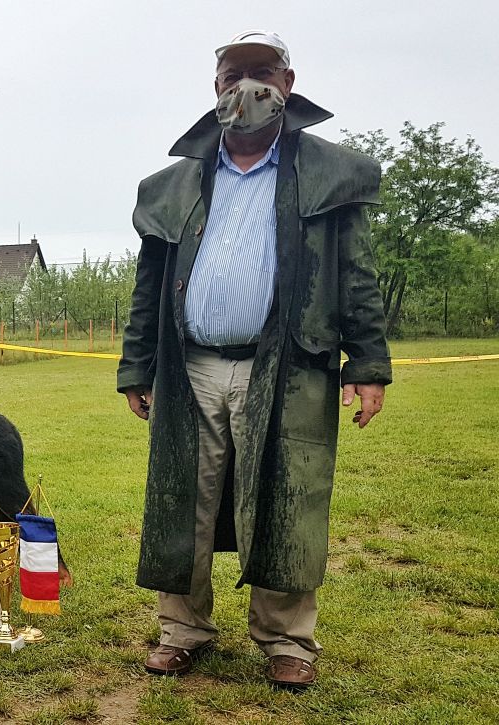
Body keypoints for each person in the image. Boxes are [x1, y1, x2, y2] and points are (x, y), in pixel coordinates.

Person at [118, 31, 391, 689]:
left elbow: (356, 273)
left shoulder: (327, 172)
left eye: (262, 71)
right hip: (190, 370)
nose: (246, 85)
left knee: (287, 498)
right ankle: (182, 631)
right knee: (184, 498)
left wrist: (369, 362)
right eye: (232, 73)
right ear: (214, 88)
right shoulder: (175, 182)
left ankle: (287, 639)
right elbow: (148, 285)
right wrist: (136, 366)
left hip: (291, 368)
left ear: (288, 83)